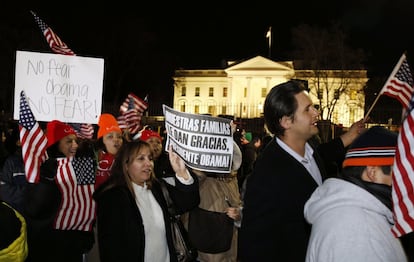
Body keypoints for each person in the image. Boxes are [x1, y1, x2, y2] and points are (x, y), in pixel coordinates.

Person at [238, 80, 365, 261]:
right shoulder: (268, 174)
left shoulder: (310, 149)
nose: (316, 113)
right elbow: (254, 243)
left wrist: (350, 135)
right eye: (307, 109)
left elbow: (323, 154)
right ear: (286, 121)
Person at [304, 126, 407, 261]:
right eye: (399, 174)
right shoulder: (357, 231)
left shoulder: (356, 216)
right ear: (373, 172)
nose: (405, 182)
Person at [92, 140, 200, 262]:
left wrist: (181, 172)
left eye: (150, 158)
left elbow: (190, 202)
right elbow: (110, 249)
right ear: (126, 165)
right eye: (141, 159)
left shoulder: (158, 188)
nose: (148, 164)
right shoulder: (113, 199)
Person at [24, 120, 97, 262]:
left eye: (76, 141)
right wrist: (46, 181)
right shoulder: (40, 166)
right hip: (46, 244)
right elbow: (34, 209)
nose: (75, 145)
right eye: (69, 141)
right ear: (55, 143)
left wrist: (87, 234)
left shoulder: (80, 166)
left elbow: (87, 203)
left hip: (73, 244)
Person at [0, 121, 26, 214]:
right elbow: (4, 192)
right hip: (17, 217)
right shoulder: (11, 162)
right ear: (18, 142)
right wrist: (30, 192)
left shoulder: (43, 162)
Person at [95, 113, 123, 189]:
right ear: (102, 141)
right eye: (110, 136)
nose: (116, 140)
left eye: (119, 137)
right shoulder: (93, 157)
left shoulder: (126, 159)